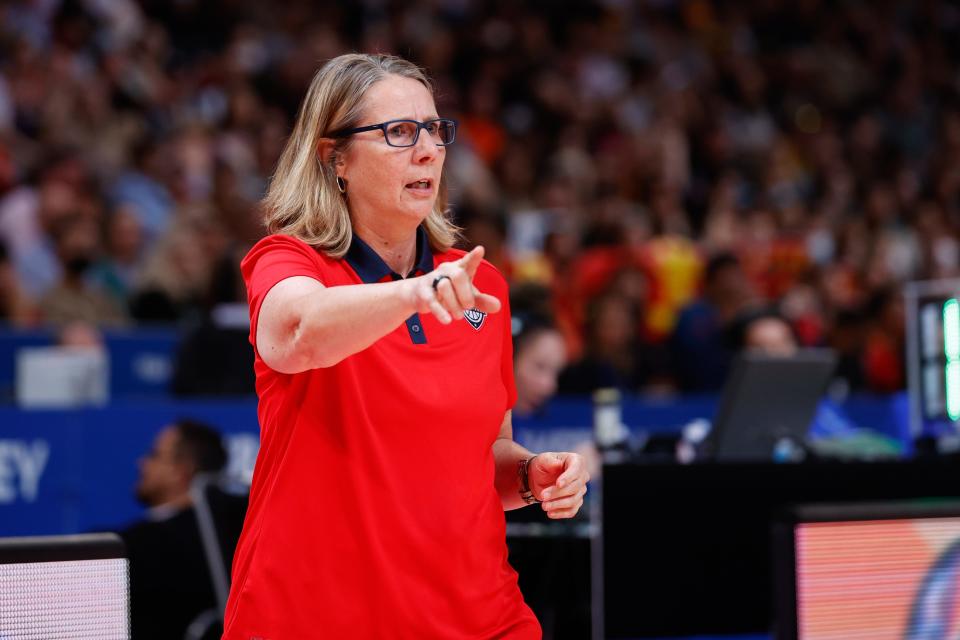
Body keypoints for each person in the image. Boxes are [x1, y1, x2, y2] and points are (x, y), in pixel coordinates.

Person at [223, 53, 589, 639]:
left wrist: (530, 477)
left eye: (435, 130)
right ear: (333, 156)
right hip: (316, 619)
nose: (428, 151)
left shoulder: (478, 284)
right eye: (398, 132)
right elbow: (295, 336)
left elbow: (484, 455)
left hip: (479, 616)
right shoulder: (292, 262)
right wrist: (415, 294)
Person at [118, 419, 243, 640]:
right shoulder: (240, 524)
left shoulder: (136, 546)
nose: (142, 463)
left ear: (181, 471)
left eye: (154, 455)